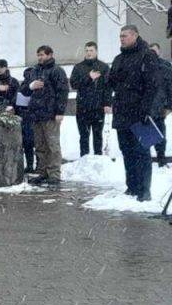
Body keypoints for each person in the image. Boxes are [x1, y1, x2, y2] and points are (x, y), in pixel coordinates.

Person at [107, 26, 164, 201]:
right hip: (122, 111)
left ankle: (144, 190)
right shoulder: (119, 58)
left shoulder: (147, 56)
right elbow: (112, 82)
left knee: (142, 152)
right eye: (120, 36)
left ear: (135, 36)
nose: (121, 39)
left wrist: (146, 110)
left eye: (125, 36)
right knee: (127, 151)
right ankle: (131, 187)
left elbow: (153, 85)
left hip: (140, 113)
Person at [20, 46, 69, 186]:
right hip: (36, 114)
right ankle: (42, 172)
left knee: (52, 145)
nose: (40, 57)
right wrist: (31, 86)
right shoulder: (34, 71)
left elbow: (63, 92)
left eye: (42, 55)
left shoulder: (57, 71)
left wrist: (60, 112)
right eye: (38, 55)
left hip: (51, 114)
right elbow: (23, 90)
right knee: (40, 146)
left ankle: (54, 174)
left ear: (50, 55)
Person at [69, 42, 110, 157]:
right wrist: (88, 78)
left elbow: (107, 87)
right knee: (83, 136)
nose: (88, 53)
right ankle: (84, 158)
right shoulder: (78, 67)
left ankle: (98, 158)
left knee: (98, 135)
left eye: (91, 50)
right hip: (83, 107)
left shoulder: (103, 67)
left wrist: (107, 103)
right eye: (86, 50)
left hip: (98, 107)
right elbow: (74, 84)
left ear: (96, 51)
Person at [148, 43, 172, 166]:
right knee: (146, 135)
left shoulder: (165, 67)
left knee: (160, 134)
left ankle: (161, 158)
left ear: (159, 52)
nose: (152, 53)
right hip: (145, 108)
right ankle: (146, 160)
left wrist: (169, 106)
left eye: (154, 51)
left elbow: (170, 88)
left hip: (160, 107)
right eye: (150, 51)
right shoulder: (143, 65)